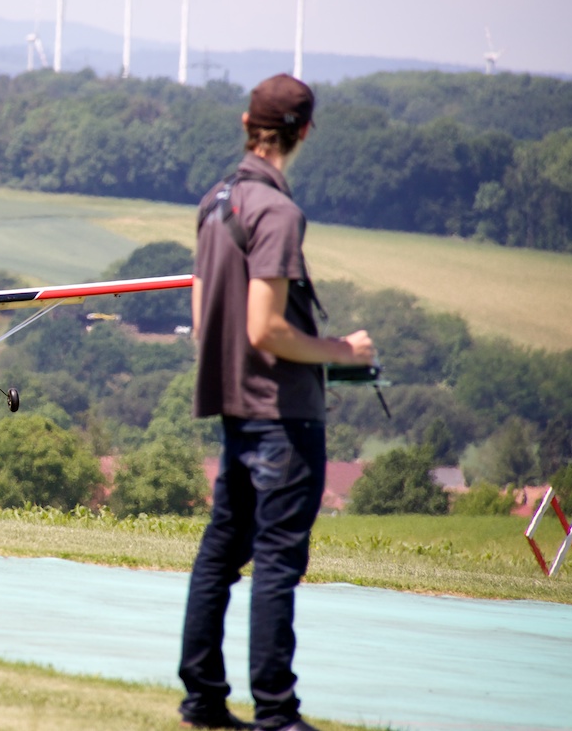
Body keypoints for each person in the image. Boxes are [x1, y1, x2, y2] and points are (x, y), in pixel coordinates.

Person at [178, 74, 374, 731]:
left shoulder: (215, 202)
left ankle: (203, 699)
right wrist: (343, 350)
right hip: (284, 416)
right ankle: (276, 712)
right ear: (305, 131)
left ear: (246, 123)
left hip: (234, 404)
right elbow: (267, 329)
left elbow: (204, 316)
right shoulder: (279, 214)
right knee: (277, 562)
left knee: (220, 553)